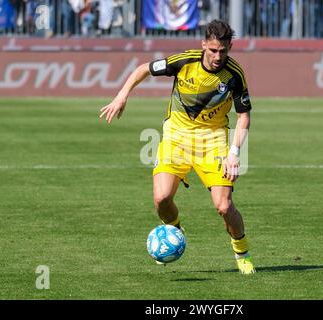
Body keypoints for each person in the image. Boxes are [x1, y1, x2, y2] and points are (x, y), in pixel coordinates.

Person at [99, 19, 255, 275]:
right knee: (161, 199)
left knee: (224, 206)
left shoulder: (234, 75)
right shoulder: (184, 61)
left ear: (230, 48)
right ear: (204, 44)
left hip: (213, 141)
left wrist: (234, 153)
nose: (218, 56)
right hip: (176, 138)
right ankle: (175, 231)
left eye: (223, 51)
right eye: (213, 50)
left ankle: (242, 252)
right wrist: (122, 95)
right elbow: (143, 69)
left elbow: (244, 116)